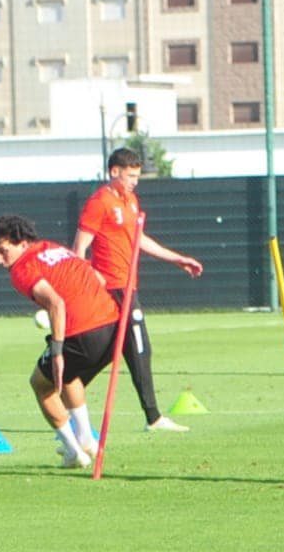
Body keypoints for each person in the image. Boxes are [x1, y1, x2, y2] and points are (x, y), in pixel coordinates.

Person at [73, 148, 203, 432]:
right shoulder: (99, 202)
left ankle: (71, 397)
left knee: (115, 351)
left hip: (128, 286)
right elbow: (79, 248)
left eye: (137, 176)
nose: (134, 181)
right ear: (114, 172)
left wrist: (177, 259)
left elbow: (138, 240)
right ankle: (152, 418)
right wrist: (89, 280)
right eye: (130, 176)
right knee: (139, 346)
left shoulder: (130, 201)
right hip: (112, 288)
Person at [0, 214, 120, 469]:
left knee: (41, 384)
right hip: (112, 328)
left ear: (21, 242)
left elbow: (56, 303)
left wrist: (57, 351)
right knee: (68, 376)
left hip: (83, 333)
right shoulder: (53, 248)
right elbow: (98, 278)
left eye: (3, 251)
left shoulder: (22, 269)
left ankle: (73, 452)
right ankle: (86, 440)